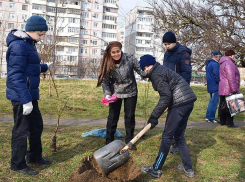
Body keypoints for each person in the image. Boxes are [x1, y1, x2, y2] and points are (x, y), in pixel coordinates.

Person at [6, 15, 53, 175]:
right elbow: (15, 76)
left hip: (30, 95)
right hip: (22, 97)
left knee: (36, 126)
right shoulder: (19, 46)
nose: (42, 38)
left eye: (43, 35)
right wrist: (25, 101)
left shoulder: (29, 44)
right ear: (31, 30)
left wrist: (44, 67)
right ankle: (18, 165)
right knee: (21, 130)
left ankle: (34, 156)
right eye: (40, 34)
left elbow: (28, 68)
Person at [139, 55, 197, 178]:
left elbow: (166, 96)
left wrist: (154, 116)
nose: (146, 70)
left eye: (147, 66)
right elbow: (170, 91)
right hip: (188, 102)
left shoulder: (156, 74)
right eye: (144, 68)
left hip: (179, 104)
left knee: (167, 136)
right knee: (179, 137)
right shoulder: (162, 69)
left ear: (152, 64)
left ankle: (156, 168)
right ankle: (189, 169)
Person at [97, 41, 146, 150]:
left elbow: (140, 70)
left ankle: (129, 142)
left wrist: (147, 73)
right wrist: (108, 95)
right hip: (115, 94)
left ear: (121, 50)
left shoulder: (129, 58)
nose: (116, 54)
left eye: (118, 51)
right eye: (113, 52)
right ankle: (109, 142)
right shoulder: (108, 63)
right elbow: (105, 82)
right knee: (112, 117)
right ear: (110, 53)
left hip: (131, 91)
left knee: (129, 117)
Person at [162, 31, 192, 153]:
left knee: (179, 118)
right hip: (169, 89)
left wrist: (181, 91)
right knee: (171, 117)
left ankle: (177, 142)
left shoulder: (183, 53)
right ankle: (170, 139)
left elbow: (186, 74)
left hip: (180, 91)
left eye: (169, 44)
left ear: (174, 42)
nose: (167, 46)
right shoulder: (167, 54)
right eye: (165, 44)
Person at [219, 50, 240, 128]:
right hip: (228, 88)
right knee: (230, 106)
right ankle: (230, 123)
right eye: (234, 55)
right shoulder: (229, 63)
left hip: (223, 87)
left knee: (222, 105)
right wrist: (234, 89)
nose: (234, 56)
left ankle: (222, 121)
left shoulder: (223, 63)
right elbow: (231, 77)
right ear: (231, 55)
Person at [205, 51, 221, 123]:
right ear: (216, 56)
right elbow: (217, 76)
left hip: (210, 85)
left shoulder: (209, 64)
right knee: (214, 102)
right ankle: (211, 118)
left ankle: (208, 116)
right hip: (215, 86)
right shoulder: (215, 64)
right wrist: (220, 83)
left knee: (211, 102)